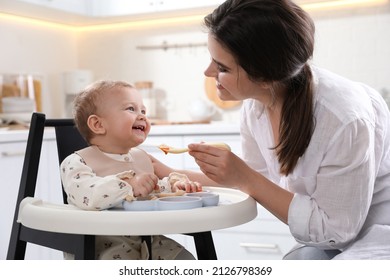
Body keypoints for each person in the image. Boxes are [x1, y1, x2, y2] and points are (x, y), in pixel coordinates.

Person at [151, 0, 390, 259]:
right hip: (328, 241)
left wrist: (244, 176)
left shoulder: (344, 119)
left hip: (375, 237)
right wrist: (168, 173)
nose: (208, 72)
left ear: (265, 77)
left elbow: (334, 230)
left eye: (222, 67)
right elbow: (255, 178)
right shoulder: (256, 107)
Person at [60, 80, 201, 260]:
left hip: (150, 240)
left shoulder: (141, 157)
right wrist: (129, 186)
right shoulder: (77, 162)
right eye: (131, 109)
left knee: (186, 260)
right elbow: (89, 195)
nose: (142, 116)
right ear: (98, 124)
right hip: (102, 246)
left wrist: (176, 188)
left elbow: (154, 190)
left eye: (143, 111)